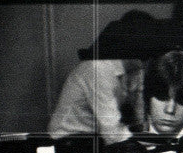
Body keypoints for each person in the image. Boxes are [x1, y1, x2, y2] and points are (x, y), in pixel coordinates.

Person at [48, 11, 159, 144]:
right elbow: (112, 132)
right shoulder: (97, 68)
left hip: (96, 141)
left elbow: (138, 120)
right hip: (67, 142)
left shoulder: (136, 67)